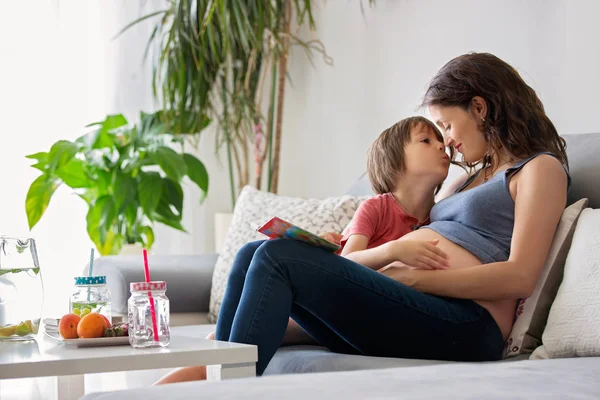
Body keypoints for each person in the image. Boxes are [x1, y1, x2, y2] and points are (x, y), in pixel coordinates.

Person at [155, 52, 569, 384]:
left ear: (479, 107)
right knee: (253, 253)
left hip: (466, 324)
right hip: (412, 305)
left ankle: (222, 391)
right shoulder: (468, 177)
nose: (447, 140)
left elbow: (520, 276)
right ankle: (213, 383)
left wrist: (413, 278)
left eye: (445, 124)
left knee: (276, 258)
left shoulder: (537, 169)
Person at [339, 115, 451, 271]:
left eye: (441, 142)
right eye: (426, 140)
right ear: (393, 161)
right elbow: (346, 261)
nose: (442, 145)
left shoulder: (442, 218)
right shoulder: (375, 208)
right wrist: (394, 251)